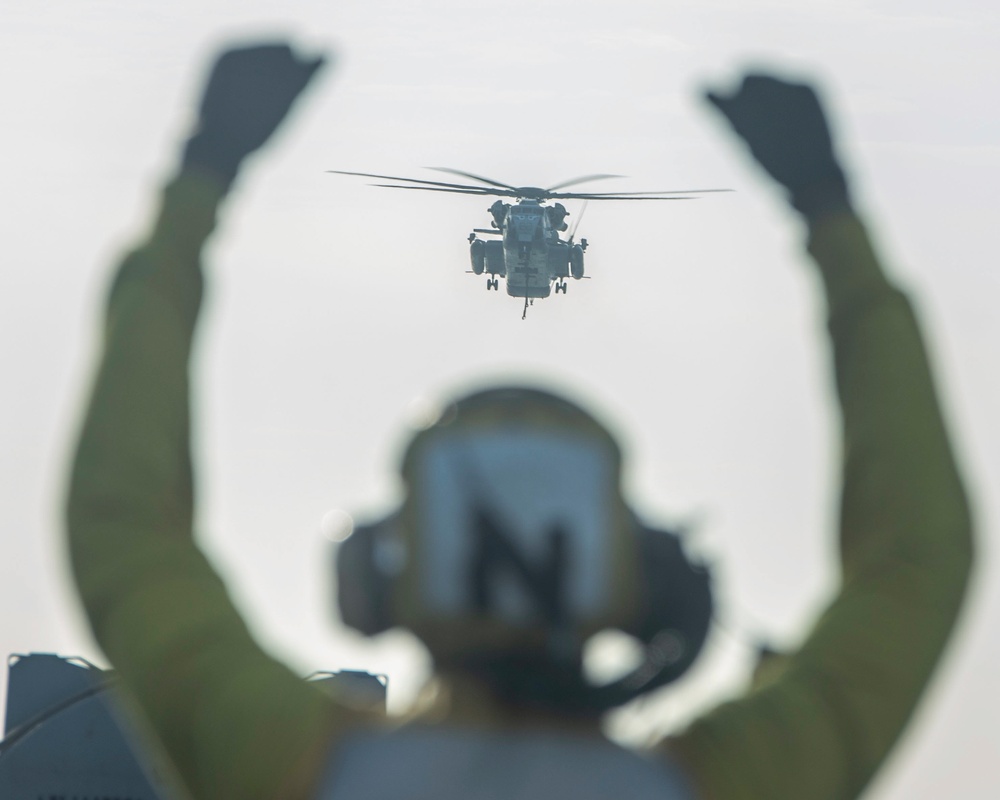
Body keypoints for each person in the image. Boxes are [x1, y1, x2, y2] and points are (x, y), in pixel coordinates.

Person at [65, 41, 974, 800]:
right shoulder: (731, 781)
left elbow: (124, 525)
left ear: (378, 577)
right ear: (650, 585)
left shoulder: (293, 764)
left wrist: (202, 172)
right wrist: (829, 207)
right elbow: (917, 558)